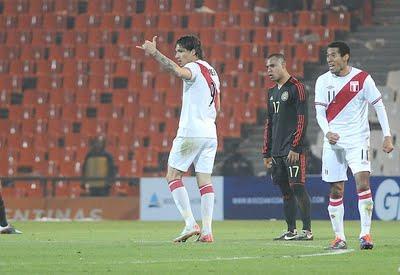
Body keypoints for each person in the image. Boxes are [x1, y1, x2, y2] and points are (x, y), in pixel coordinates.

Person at [136, 35, 221, 243]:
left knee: (173, 176)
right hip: (210, 132)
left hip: (191, 132)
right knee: (204, 179)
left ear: (194, 52)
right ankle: (208, 231)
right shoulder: (212, 71)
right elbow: (217, 106)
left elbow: (176, 71)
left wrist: (154, 53)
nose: (178, 56)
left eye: (181, 51)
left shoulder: (194, 68)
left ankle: (191, 223)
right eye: (176, 52)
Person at [315, 41, 394, 250]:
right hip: (333, 141)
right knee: (336, 189)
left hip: (358, 139)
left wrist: (387, 135)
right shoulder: (322, 81)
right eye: (327, 56)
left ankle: (365, 234)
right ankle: (339, 237)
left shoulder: (362, 79)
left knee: (362, 184)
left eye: (333, 55)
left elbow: (379, 105)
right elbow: (319, 113)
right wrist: (327, 132)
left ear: (345, 57)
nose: (329, 59)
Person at [262, 53, 313, 241]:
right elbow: (269, 123)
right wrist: (266, 151)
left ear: (284, 65)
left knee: (297, 187)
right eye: (267, 67)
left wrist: (295, 146)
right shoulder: (271, 92)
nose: (269, 70)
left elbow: (302, 120)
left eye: (273, 66)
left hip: (293, 150)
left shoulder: (297, 88)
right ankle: (291, 231)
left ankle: (307, 231)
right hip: (276, 151)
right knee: (285, 191)